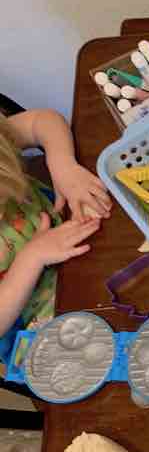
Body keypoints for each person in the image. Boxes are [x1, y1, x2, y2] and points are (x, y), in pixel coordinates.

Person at [0, 109, 111, 360]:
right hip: (40, 331)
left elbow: (42, 121)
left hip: (76, 239)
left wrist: (62, 164)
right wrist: (32, 257)